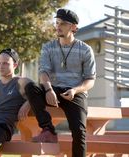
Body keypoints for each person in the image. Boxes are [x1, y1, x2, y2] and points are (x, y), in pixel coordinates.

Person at [29, 9, 96, 157]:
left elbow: (90, 80)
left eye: (63, 24)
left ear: (74, 27)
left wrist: (75, 90)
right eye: (57, 23)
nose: (58, 26)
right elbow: (43, 72)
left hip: (75, 93)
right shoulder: (48, 47)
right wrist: (48, 89)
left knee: (79, 132)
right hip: (53, 90)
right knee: (31, 87)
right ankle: (48, 130)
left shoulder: (85, 50)